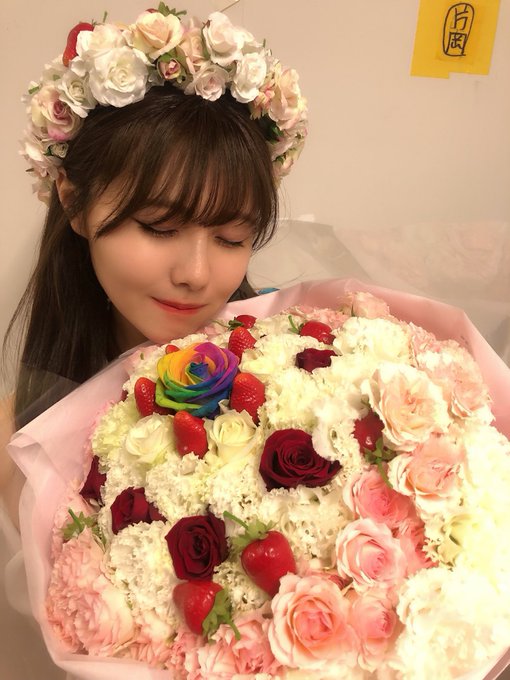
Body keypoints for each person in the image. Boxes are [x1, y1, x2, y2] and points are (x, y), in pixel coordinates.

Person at [0, 7, 307, 678]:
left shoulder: (298, 376)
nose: (196, 273)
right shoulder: (16, 437)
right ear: (74, 202)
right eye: (160, 227)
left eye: (231, 237)